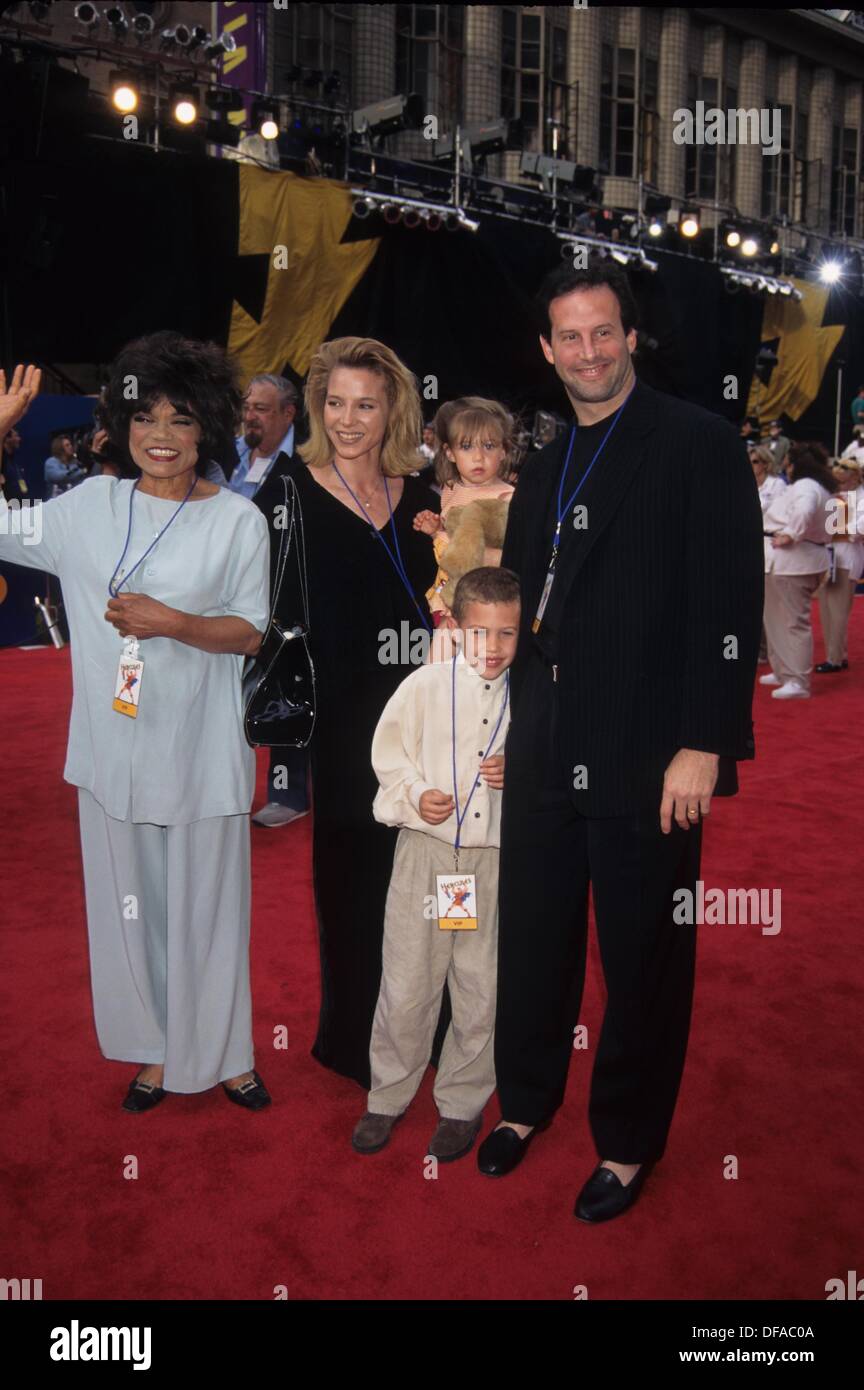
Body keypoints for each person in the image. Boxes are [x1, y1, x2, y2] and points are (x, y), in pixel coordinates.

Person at [475, 256, 763, 1223]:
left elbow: (728, 600)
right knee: (538, 929)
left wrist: (704, 743)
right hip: (551, 736)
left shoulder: (700, 442)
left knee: (644, 952)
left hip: (652, 748)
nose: (589, 352)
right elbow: (526, 597)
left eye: (605, 332)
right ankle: (525, 1101)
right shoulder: (546, 462)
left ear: (630, 336)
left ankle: (630, 1142)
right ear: (547, 349)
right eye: (571, 337)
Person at [0, 340, 273, 1114]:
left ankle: (227, 1053)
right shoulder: (85, 508)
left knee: (211, 912)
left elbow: (253, 631)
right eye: (145, 416)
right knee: (131, 911)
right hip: (112, 754)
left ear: (208, 429)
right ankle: (153, 1051)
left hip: (202, 753)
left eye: (181, 420)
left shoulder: (238, 522)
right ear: (121, 423)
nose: (161, 434)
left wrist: (176, 622)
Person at [270, 337, 440, 1088]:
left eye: (364, 404)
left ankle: (430, 1032)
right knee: (352, 883)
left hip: (430, 720)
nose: (346, 419)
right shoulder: (287, 493)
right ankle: (355, 1043)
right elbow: (262, 608)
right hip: (342, 724)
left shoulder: (429, 494)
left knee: (430, 881)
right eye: (333, 402)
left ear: (393, 409)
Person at [352, 567, 518, 1162]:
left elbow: (555, 769)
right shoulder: (424, 685)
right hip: (426, 854)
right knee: (408, 978)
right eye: (480, 633)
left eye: (507, 634)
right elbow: (388, 757)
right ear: (454, 626)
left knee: (479, 985)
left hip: (491, 861)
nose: (493, 648)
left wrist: (519, 773)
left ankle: (463, 1102)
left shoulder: (529, 692)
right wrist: (416, 793)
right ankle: (387, 1093)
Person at [229, 373, 310, 829]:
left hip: (282, 593)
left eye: (261, 408)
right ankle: (225, 786)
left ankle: (289, 792)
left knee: (283, 690)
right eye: (247, 407)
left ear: (288, 413)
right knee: (225, 692)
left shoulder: (303, 464)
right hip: (225, 595)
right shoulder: (227, 459)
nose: (250, 416)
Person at [413, 397, 516, 632]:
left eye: (488, 446)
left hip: (485, 604)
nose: (478, 457)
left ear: (503, 451)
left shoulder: (507, 496)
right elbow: (446, 544)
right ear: (449, 453)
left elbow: (513, 556)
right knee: (438, 662)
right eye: (467, 446)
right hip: (446, 597)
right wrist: (435, 530)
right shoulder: (450, 489)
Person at [760, 441, 837, 700]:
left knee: (793, 621)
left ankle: (798, 680)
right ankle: (784, 671)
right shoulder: (820, 487)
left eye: (788, 463)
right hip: (788, 558)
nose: (785, 467)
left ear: (795, 465)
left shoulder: (806, 487)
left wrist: (791, 534)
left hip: (793, 560)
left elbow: (804, 510)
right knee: (776, 620)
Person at [816, 456, 864, 673]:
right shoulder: (834, 495)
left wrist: (839, 528)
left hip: (847, 556)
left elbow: (857, 530)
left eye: (845, 473)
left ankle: (834, 658)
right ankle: (838, 654)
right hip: (829, 554)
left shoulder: (860, 497)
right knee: (826, 607)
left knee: (838, 609)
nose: (839, 476)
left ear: (855, 475)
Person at [752, 445, 787, 664]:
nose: (751, 464)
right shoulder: (744, 483)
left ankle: (772, 652)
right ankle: (758, 648)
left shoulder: (778, 485)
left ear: (765, 463)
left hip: (771, 543)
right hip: (750, 543)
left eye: (755, 461)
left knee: (770, 602)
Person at [43, 431, 87, 498]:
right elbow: (60, 477)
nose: (70, 447)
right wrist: (82, 471)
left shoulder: (74, 462)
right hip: (55, 501)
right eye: (67, 445)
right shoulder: (51, 462)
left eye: (70, 444)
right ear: (59, 448)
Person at [1, 426, 27, 501]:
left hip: (20, 504)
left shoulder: (14, 460)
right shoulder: (3, 461)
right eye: (16, 436)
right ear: (7, 439)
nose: (19, 439)